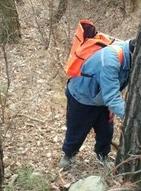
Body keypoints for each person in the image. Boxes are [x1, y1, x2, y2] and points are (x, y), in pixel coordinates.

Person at [58, 38, 135, 171]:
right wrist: (133, 118)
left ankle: (102, 155)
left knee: (106, 130)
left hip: (103, 98)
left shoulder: (129, 51)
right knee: (76, 129)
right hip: (82, 96)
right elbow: (112, 98)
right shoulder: (110, 62)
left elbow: (112, 94)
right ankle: (68, 156)